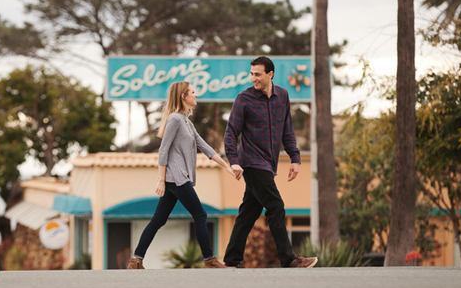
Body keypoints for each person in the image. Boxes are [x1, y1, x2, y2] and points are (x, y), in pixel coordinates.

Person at [127, 82, 239, 269]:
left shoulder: (186, 122)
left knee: (158, 220)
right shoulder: (174, 120)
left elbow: (204, 146)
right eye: (193, 92)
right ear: (183, 96)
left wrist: (226, 166)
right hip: (177, 178)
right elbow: (163, 150)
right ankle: (210, 260)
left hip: (176, 178)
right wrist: (161, 180)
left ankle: (136, 260)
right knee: (200, 215)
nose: (196, 95)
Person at [223, 56, 318, 268]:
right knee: (276, 206)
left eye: (257, 74)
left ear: (270, 74)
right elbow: (230, 133)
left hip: (269, 164)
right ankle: (288, 259)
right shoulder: (244, 99)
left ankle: (231, 261)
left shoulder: (282, 96)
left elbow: (287, 130)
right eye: (251, 74)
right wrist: (234, 160)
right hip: (251, 162)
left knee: (248, 214)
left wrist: (295, 158)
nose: (253, 78)